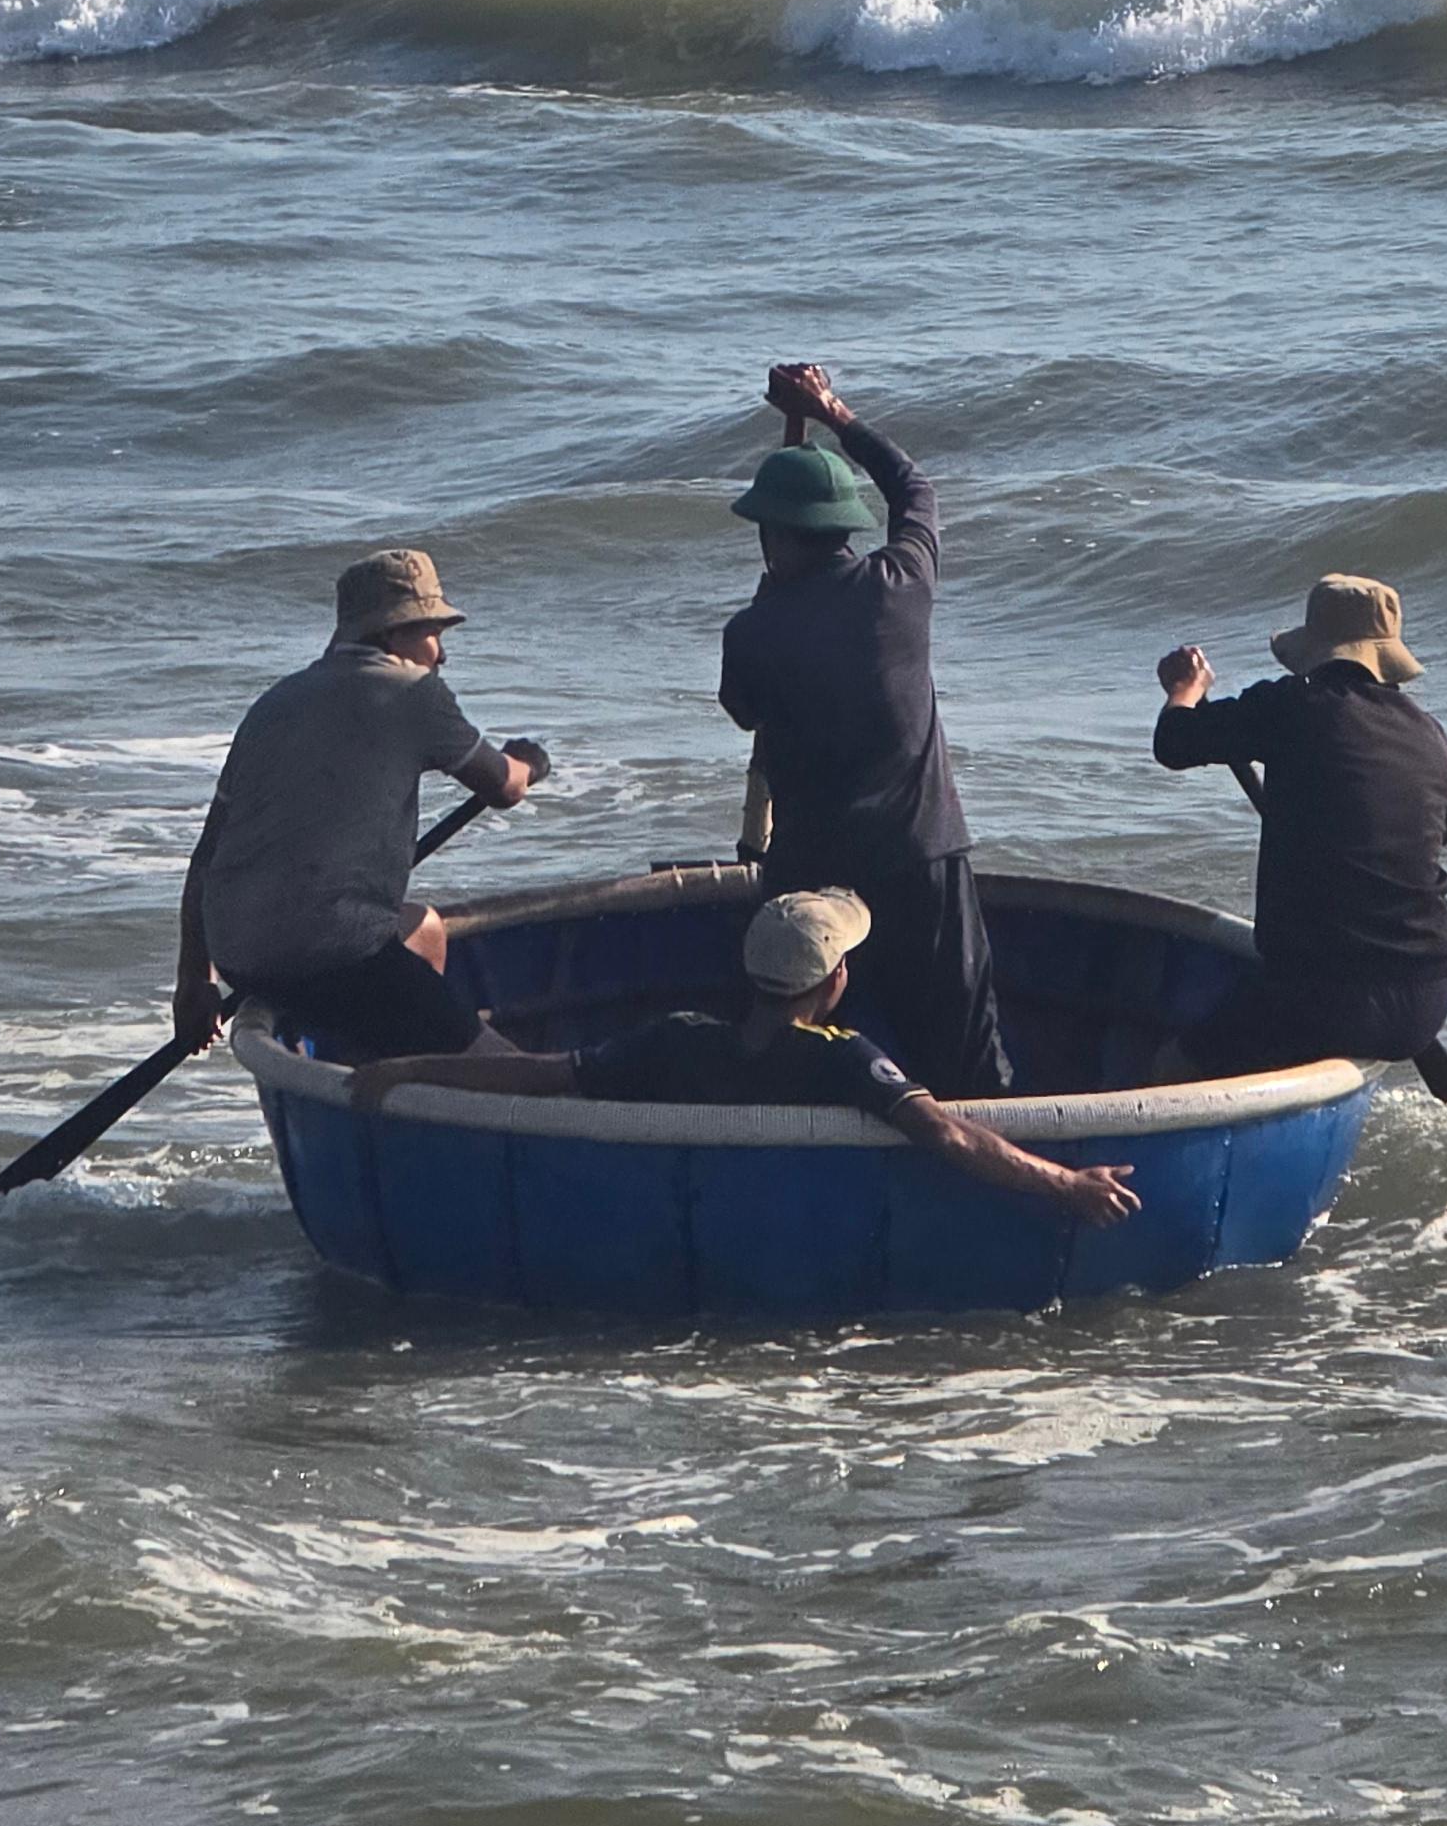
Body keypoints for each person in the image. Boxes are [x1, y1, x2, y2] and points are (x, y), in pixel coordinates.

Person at [350, 887, 1138, 1229]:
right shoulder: (843, 1059)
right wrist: (1067, 1182)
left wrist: (412, 1068)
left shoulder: (679, 1038)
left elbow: (538, 1075)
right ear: (835, 981)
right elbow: (950, 1136)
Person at [715, 363, 1012, 1096]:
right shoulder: (902, 585)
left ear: (776, 539)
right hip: (921, 859)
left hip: (812, 868)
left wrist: (769, 597)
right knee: (966, 1054)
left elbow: (745, 709)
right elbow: (914, 487)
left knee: (785, 1053)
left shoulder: (752, 633)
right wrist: (832, 413)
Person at [172, 548, 546, 1062]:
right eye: (432, 632)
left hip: (240, 956)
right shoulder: (412, 692)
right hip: (333, 961)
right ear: (394, 634)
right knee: (515, 1073)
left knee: (424, 929)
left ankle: (395, 1060)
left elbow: (207, 855)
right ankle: (425, 1068)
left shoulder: (274, 704)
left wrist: (194, 982)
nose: (442, 655)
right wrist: (527, 762)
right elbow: (503, 788)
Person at [1151, 572, 1447, 1077]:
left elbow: (1175, 741)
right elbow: (1423, 838)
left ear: (1317, 650)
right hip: (1428, 993)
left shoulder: (1294, 705)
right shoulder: (1431, 736)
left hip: (1329, 997)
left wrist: (1186, 688)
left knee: (1167, 1070)